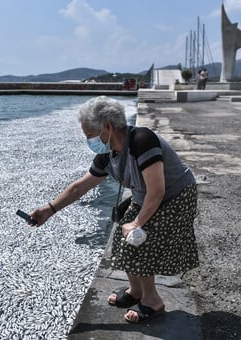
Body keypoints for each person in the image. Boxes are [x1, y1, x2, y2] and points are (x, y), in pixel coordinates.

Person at [29, 96, 199, 323]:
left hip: (175, 196)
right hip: (146, 196)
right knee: (121, 237)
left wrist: (137, 224)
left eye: (90, 134)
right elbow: (80, 187)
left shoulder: (141, 140)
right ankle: (135, 291)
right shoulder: (108, 154)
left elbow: (157, 191)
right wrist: (49, 210)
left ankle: (152, 301)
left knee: (139, 240)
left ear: (108, 126)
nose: (88, 139)